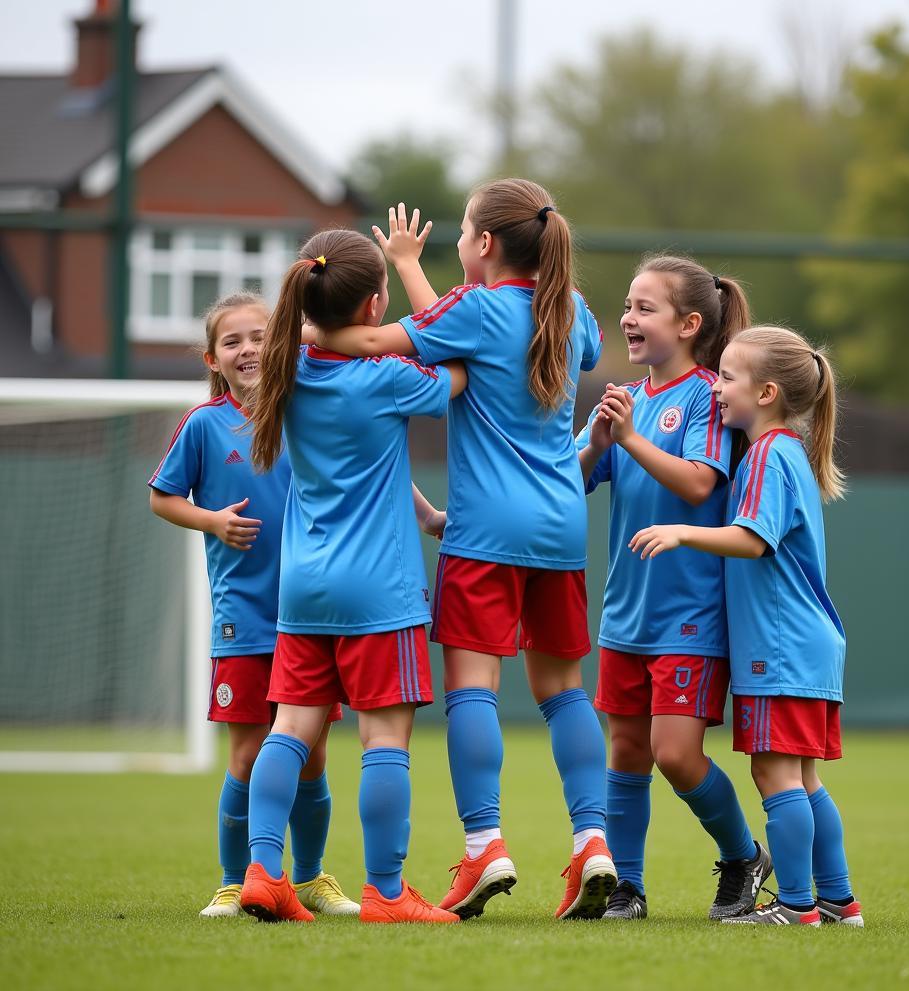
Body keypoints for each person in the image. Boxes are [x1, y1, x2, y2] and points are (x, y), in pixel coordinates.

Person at [315, 184, 615, 920]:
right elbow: (462, 326)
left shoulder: (475, 310)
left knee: (473, 689)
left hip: (484, 534)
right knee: (564, 691)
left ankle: (485, 844)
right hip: (561, 526)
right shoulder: (571, 310)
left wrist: (312, 333)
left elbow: (387, 338)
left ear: (483, 245)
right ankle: (592, 841)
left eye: (465, 233)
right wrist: (422, 273)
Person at [239, 228, 466, 924]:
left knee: (289, 729)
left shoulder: (287, 366)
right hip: (379, 592)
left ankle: (261, 872)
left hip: (302, 587)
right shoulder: (387, 377)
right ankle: (387, 892)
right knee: (383, 740)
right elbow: (459, 366)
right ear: (374, 305)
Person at [630, 325, 863, 927]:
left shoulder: (767, 453)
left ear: (765, 394)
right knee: (804, 777)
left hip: (780, 648)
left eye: (729, 378)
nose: (717, 389)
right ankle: (837, 900)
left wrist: (681, 531)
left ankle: (795, 906)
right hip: (805, 645)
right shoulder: (785, 452)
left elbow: (753, 539)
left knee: (774, 772)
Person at [577, 256, 771, 921]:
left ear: (689, 324)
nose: (628, 319)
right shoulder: (623, 399)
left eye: (644, 308)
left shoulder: (707, 394)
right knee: (626, 751)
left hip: (689, 617)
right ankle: (626, 887)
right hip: (625, 614)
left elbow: (697, 483)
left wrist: (627, 438)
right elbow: (572, 483)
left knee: (676, 754)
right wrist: (600, 440)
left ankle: (743, 854)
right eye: (627, 306)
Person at [148, 292, 351, 919]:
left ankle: (311, 877)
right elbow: (162, 498)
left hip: (312, 616)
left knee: (311, 755)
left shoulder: (306, 411)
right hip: (244, 616)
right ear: (214, 358)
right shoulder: (204, 424)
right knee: (246, 753)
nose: (249, 350)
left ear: (282, 342)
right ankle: (236, 882)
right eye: (233, 342)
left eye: (261, 336)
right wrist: (211, 520)